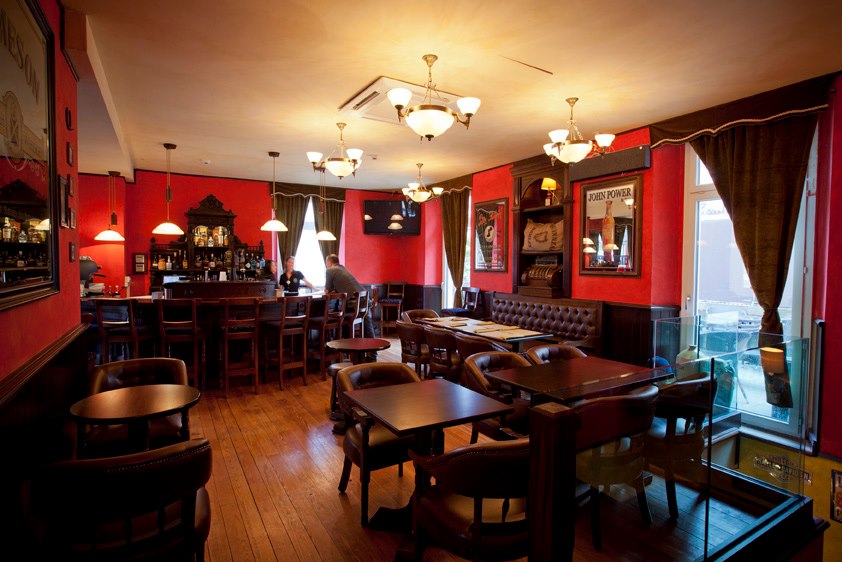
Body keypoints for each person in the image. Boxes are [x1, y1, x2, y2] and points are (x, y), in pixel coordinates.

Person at [325, 254, 376, 340]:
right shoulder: (342, 268)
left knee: (342, 317)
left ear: (329, 262)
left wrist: (330, 290)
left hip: (354, 302)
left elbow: (328, 289)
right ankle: (372, 351)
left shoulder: (330, 270)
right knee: (367, 325)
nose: (326, 264)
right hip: (364, 299)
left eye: (326, 263)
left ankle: (347, 345)